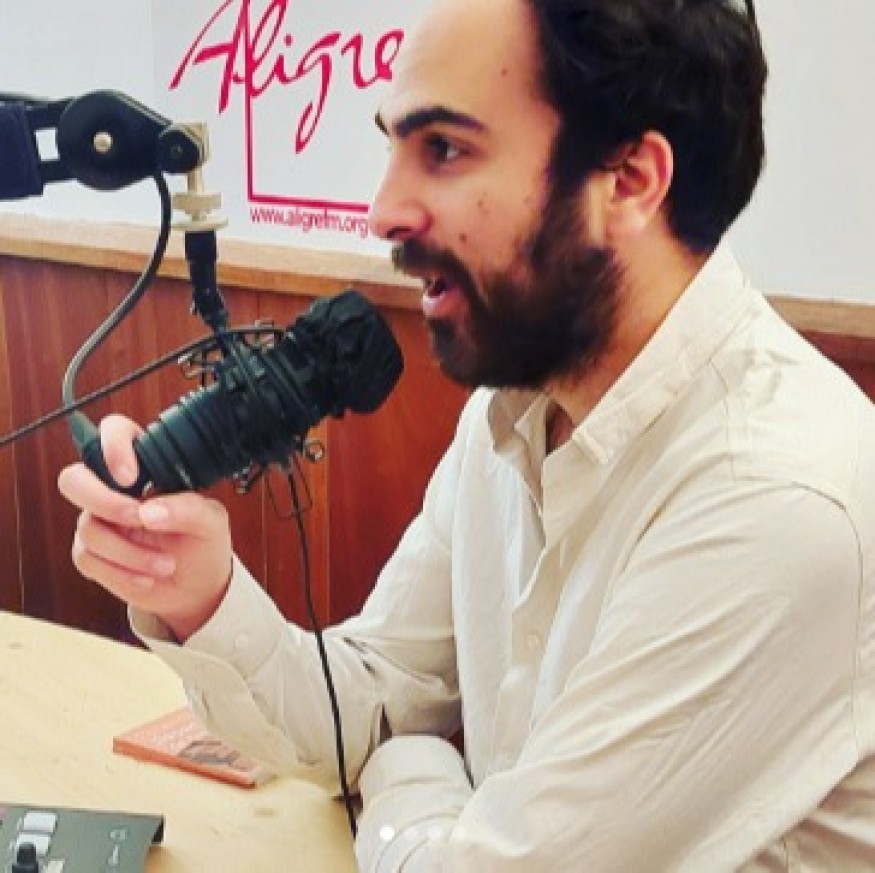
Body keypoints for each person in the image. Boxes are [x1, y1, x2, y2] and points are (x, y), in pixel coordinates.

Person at [57, 0, 875, 869]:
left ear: (630, 181)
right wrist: (199, 593)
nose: (382, 211)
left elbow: (433, 798)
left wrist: (406, 766)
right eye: (394, 149)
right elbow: (371, 702)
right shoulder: (514, 407)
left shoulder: (773, 500)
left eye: (443, 149)